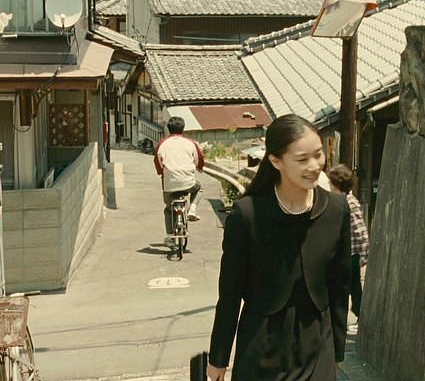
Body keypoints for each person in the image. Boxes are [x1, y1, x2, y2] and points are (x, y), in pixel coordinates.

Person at [207, 114, 352, 381]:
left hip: (318, 345)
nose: (314, 166)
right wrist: (218, 359)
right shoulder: (247, 215)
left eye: (318, 154)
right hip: (261, 348)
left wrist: (337, 352)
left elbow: (340, 288)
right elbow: (230, 294)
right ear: (276, 161)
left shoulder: (337, 210)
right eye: (302, 159)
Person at [326, 164, 369, 326]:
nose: (329, 185)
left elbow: (359, 229)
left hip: (351, 253)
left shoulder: (348, 202)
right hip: (346, 252)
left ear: (337, 184)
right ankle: (359, 314)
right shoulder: (340, 201)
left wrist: (363, 254)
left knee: (349, 287)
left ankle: (360, 314)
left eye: (330, 182)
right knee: (352, 287)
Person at [153, 116, 204, 250]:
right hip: (188, 182)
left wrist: (163, 172)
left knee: (168, 208)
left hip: (169, 184)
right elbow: (199, 159)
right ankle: (192, 209)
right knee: (199, 188)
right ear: (183, 129)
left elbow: (158, 162)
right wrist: (196, 167)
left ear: (168, 129)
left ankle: (170, 237)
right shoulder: (190, 143)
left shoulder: (162, 144)